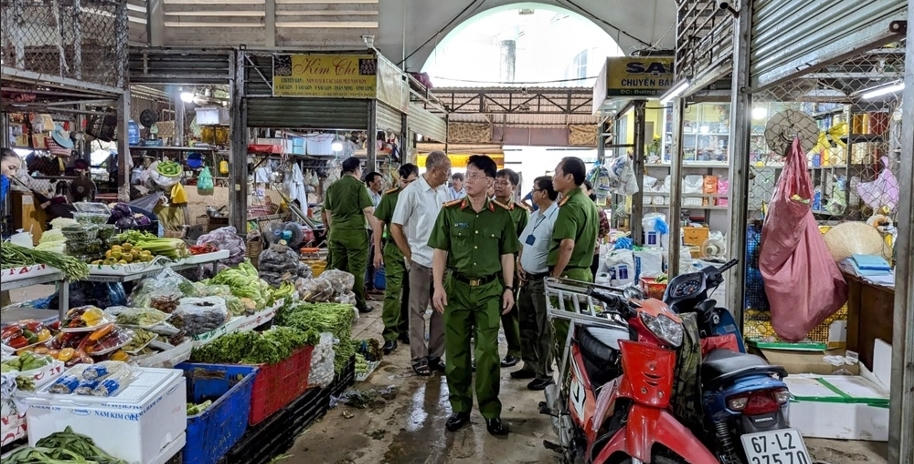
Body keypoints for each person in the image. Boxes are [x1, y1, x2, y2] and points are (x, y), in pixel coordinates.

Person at [429, 154, 517, 437]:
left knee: (488, 353)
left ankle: (491, 411)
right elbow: (440, 252)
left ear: (490, 182)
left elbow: (507, 255)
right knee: (456, 353)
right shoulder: (451, 211)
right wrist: (438, 286)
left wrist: (508, 288)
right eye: (467, 174)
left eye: (475, 175)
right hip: (456, 289)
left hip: (490, 291)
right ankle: (460, 408)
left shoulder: (502, 216)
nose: (468, 180)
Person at [390, 151, 452, 376]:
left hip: (443, 263)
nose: (448, 176)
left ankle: (435, 355)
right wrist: (410, 255)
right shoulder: (411, 193)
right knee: (416, 310)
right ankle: (418, 357)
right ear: (433, 170)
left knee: (441, 309)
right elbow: (395, 226)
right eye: (445, 172)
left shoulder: (444, 192)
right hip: (420, 261)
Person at [549, 157, 599, 369]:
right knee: (578, 333)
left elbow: (567, 245)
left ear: (569, 177)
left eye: (557, 172)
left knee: (564, 334)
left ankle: (567, 386)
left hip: (569, 277)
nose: (553, 178)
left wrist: (555, 276)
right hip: (584, 274)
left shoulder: (570, 205)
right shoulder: (588, 202)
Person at [514, 176, 559, 390]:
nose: (532, 193)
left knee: (544, 329)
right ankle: (529, 364)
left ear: (544, 193)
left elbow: (561, 249)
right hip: (526, 279)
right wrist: (519, 263)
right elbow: (523, 243)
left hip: (542, 280)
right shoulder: (534, 216)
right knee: (526, 324)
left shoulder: (556, 217)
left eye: (535, 189)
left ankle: (545, 372)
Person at [373, 163, 419, 354]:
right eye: (405, 181)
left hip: (416, 251)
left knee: (411, 293)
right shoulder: (391, 197)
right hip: (393, 250)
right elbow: (379, 222)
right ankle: (389, 334)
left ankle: (404, 329)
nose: (408, 185)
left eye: (413, 181)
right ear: (399, 180)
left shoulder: (423, 197)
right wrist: (377, 249)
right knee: (393, 292)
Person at [324, 157, 377, 313]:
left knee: (336, 269)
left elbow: (328, 212)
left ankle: (335, 301)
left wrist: (333, 229)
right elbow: (368, 211)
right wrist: (376, 231)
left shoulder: (333, 187)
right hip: (355, 235)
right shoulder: (358, 186)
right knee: (357, 271)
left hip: (336, 234)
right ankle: (359, 303)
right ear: (356, 169)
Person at [493, 168, 528, 368]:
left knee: (508, 309)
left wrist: (519, 264)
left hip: (509, 268)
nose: (498, 186)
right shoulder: (485, 207)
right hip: (487, 266)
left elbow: (523, 243)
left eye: (504, 183)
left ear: (513, 187)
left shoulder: (521, 213)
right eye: (496, 182)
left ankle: (515, 350)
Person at [582, 180, 610, 277]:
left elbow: (605, 229)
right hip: (575, 254)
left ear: (590, 191)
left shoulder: (597, 210)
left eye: (581, 189)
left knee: (590, 277)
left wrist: (594, 237)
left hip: (592, 252)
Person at [364, 171, 384, 295]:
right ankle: (366, 287)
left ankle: (371, 286)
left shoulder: (378, 196)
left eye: (381, 181)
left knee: (374, 259)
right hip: (368, 229)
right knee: (367, 259)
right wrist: (374, 230)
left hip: (376, 229)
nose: (380, 184)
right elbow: (369, 213)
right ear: (371, 183)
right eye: (378, 181)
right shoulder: (366, 194)